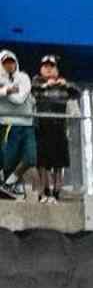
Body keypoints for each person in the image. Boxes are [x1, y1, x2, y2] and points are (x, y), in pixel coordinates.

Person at [33, 55, 75, 200]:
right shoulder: (36, 82)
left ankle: (57, 191)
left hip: (59, 128)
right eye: (45, 66)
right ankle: (44, 190)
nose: (48, 69)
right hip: (42, 128)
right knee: (42, 162)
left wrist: (66, 85)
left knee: (59, 162)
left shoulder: (62, 84)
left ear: (57, 69)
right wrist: (47, 85)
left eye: (51, 66)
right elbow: (32, 91)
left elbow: (77, 93)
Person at [0, 51, 36, 197]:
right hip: (7, 123)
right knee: (8, 161)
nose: (9, 64)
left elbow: (20, 98)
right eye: (5, 62)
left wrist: (3, 91)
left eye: (11, 61)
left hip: (27, 123)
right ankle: (10, 186)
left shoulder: (23, 77)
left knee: (30, 158)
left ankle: (9, 183)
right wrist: (8, 89)